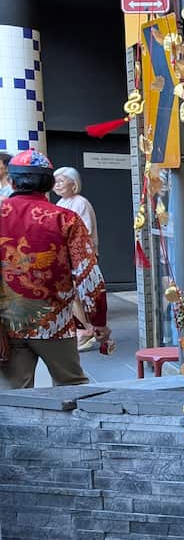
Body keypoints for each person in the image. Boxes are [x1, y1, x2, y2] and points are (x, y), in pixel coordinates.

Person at [0, 150, 109, 388]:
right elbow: (89, 276)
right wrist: (97, 321)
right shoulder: (65, 218)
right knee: (72, 387)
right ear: (49, 183)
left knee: (14, 396)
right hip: (55, 323)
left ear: (11, 181)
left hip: (8, 324)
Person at [53, 167, 100, 351]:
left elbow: (84, 231)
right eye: (55, 181)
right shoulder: (62, 202)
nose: (57, 184)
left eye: (61, 180)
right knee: (74, 295)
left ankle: (85, 331)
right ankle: (85, 330)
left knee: (74, 294)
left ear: (74, 183)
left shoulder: (80, 203)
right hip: (67, 257)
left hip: (80, 257)